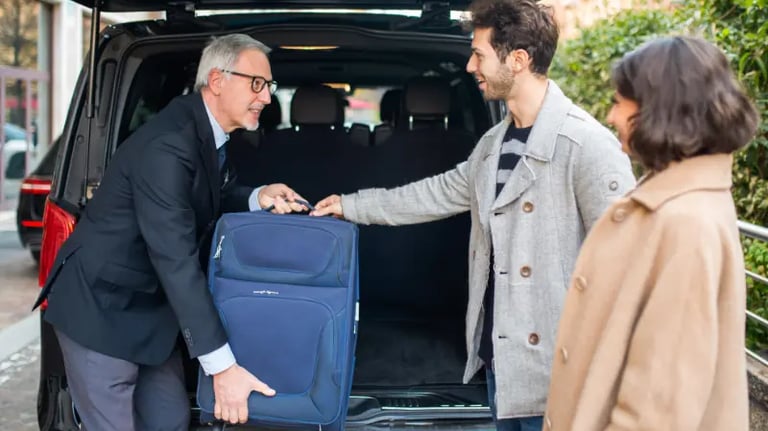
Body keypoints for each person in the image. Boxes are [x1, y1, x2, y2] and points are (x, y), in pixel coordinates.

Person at [310, 0, 636, 428]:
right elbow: (437, 193)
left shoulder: (585, 145)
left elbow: (628, 265)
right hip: (502, 364)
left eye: (479, 53)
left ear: (518, 60)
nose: (469, 66)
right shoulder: (492, 144)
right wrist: (352, 205)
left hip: (561, 374)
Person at [33, 34, 308, 430]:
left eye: (269, 86)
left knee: (170, 419)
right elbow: (175, 259)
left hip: (151, 312)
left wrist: (257, 196)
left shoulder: (201, 130)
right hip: (101, 310)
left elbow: (205, 193)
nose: (267, 98)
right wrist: (224, 368)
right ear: (217, 80)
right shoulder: (167, 145)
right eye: (257, 83)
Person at [541, 35, 760, 431]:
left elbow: (657, 411)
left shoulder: (684, 223)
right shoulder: (682, 202)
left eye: (620, 102)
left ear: (660, 109)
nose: (610, 116)